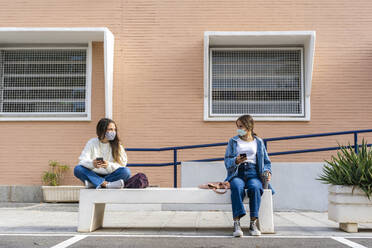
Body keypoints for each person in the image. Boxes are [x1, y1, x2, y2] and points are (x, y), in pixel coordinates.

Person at [224, 114, 273, 237]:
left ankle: (253, 223)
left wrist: (268, 171)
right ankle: (237, 222)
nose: (238, 129)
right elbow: (226, 161)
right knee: (236, 186)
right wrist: (236, 161)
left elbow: (266, 161)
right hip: (238, 172)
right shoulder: (233, 141)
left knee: (256, 188)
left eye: (241, 126)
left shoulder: (259, 142)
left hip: (254, 173)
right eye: (237, 126)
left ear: (248, 126)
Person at [74, 118, 131, 189]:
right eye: (110, 129)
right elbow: (82, 160)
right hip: (93, 174)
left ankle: (95, 183)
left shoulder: (117, 145)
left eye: (114, 129)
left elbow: (122, 164)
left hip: (111, 174)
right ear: (102, 130)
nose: (113, 132)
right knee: (78, 169)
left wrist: (108, 165)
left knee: (126, 172)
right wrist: (92, 164)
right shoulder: (92, 142)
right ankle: (105, 184)